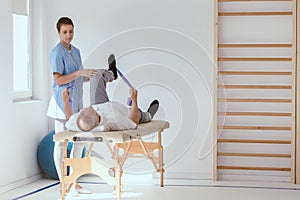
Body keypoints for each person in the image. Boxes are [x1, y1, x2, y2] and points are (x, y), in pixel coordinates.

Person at [46, 16, 100, 194]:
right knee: (61, 143)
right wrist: (79, 73)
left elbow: (78, 77)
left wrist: (92, 75)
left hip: (76, 102)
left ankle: (74, 180)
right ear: (59, 32)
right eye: (65, 32)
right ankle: (64, 183)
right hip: (61, 102)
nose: (68, 35)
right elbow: (59, 79)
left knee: (79, 141)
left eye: (71, 31)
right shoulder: (56, 53)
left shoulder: (76, 51)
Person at [62, 54, 159, 133]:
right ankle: (149, 114)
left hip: (100, 105)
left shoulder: (79, 122)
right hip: (122, 112)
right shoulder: (114, 120)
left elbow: (69, 120)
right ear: (98, 120)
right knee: (139, 114)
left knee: (96, 75)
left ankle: (112, 74)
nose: (90, 107)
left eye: (88, 108)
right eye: (91, 109)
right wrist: (134, 100)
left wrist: (65, 102)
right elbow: (134, 122)